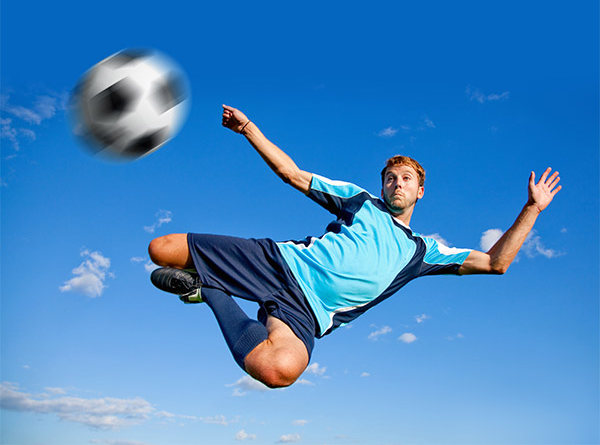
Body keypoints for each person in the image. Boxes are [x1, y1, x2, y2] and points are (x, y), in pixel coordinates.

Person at [148, 104, 562, 389]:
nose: (395, 183)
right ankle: (208, 276)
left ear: (421, 190)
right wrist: (248, 129)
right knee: (161, 249)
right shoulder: (360, 200)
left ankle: (210, 291)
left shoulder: (423, 251)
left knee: (277, 371)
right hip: (278, 263)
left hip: (306, 312)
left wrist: (532, 208)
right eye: (390, 177)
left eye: (405, 178)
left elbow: (495, 262)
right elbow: (291, 173)